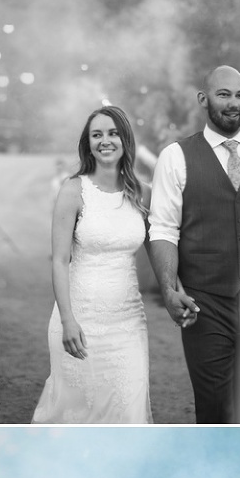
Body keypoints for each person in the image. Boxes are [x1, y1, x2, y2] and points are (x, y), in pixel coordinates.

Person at [148, 64, 240, 423]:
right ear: (203, 99)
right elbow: (163, 229)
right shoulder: (175, 157)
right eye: (223, 94)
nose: (233, 103)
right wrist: (168, 289)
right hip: (204, 303)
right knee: (215, 410)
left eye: (239, 95)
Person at [32, 108, 152, 425]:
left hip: (128, 324)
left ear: (125, 138)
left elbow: (162, 250)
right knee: (77, 416)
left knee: (128, 412)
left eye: (112, 133)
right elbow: (59, 260)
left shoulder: (142, 195)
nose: (105, 141)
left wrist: (174, 291)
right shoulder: (73, 191)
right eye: (96, 135)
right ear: (88, 144)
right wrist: (68, 320)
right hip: (79, 321)